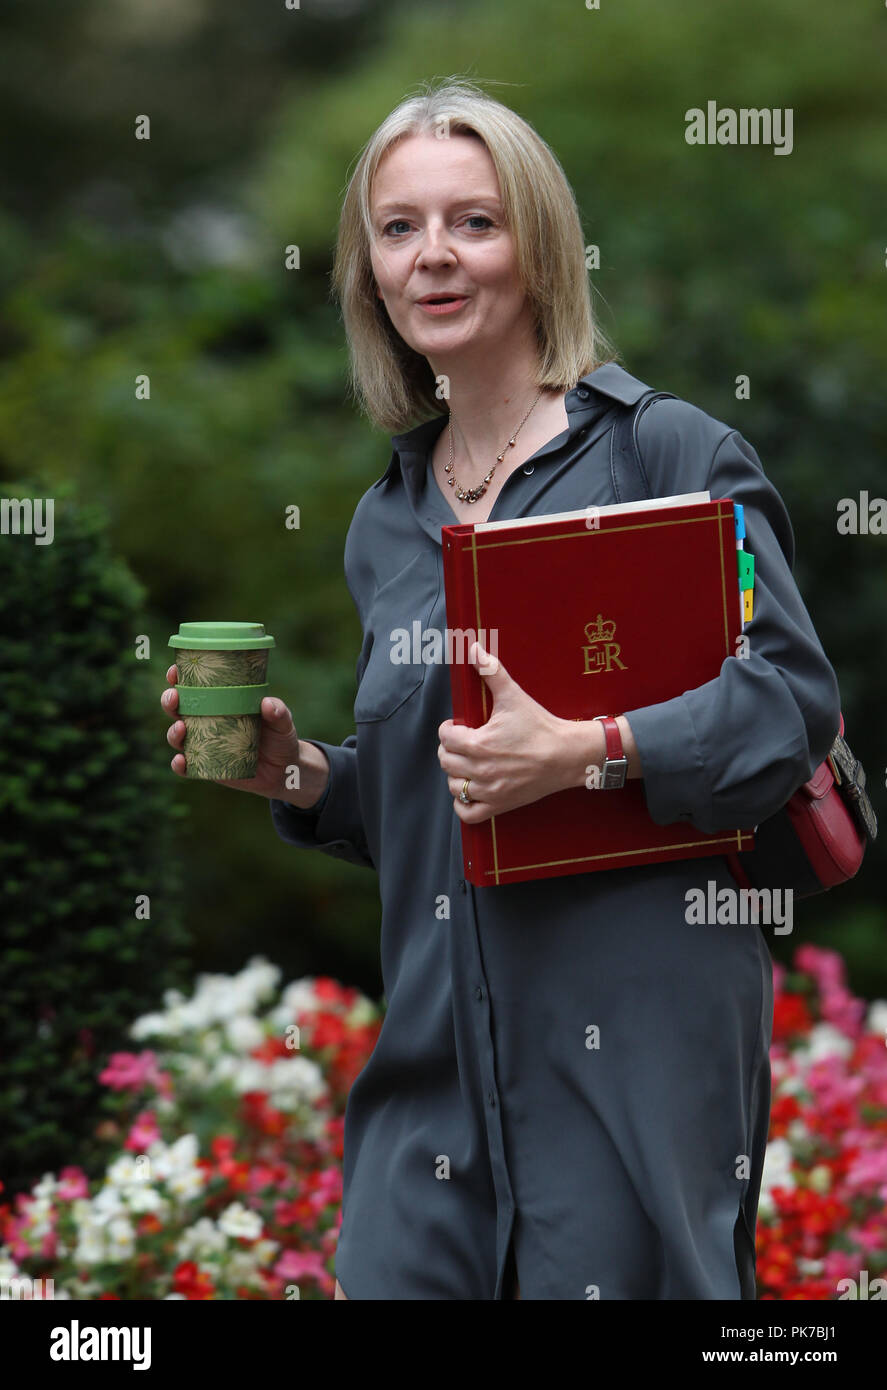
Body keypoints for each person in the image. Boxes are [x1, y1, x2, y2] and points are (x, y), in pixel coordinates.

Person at [161, 79, 841, 1300]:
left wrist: (592, 746)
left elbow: (788, 708)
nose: (433, 256)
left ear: (536, 246)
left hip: (631, 1037)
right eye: (397, 227)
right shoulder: (388, 515)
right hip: (434, 1052)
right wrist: (304, 775)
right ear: (366, 268)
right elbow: (450, 794)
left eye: (472, 222)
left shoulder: (665, 453)